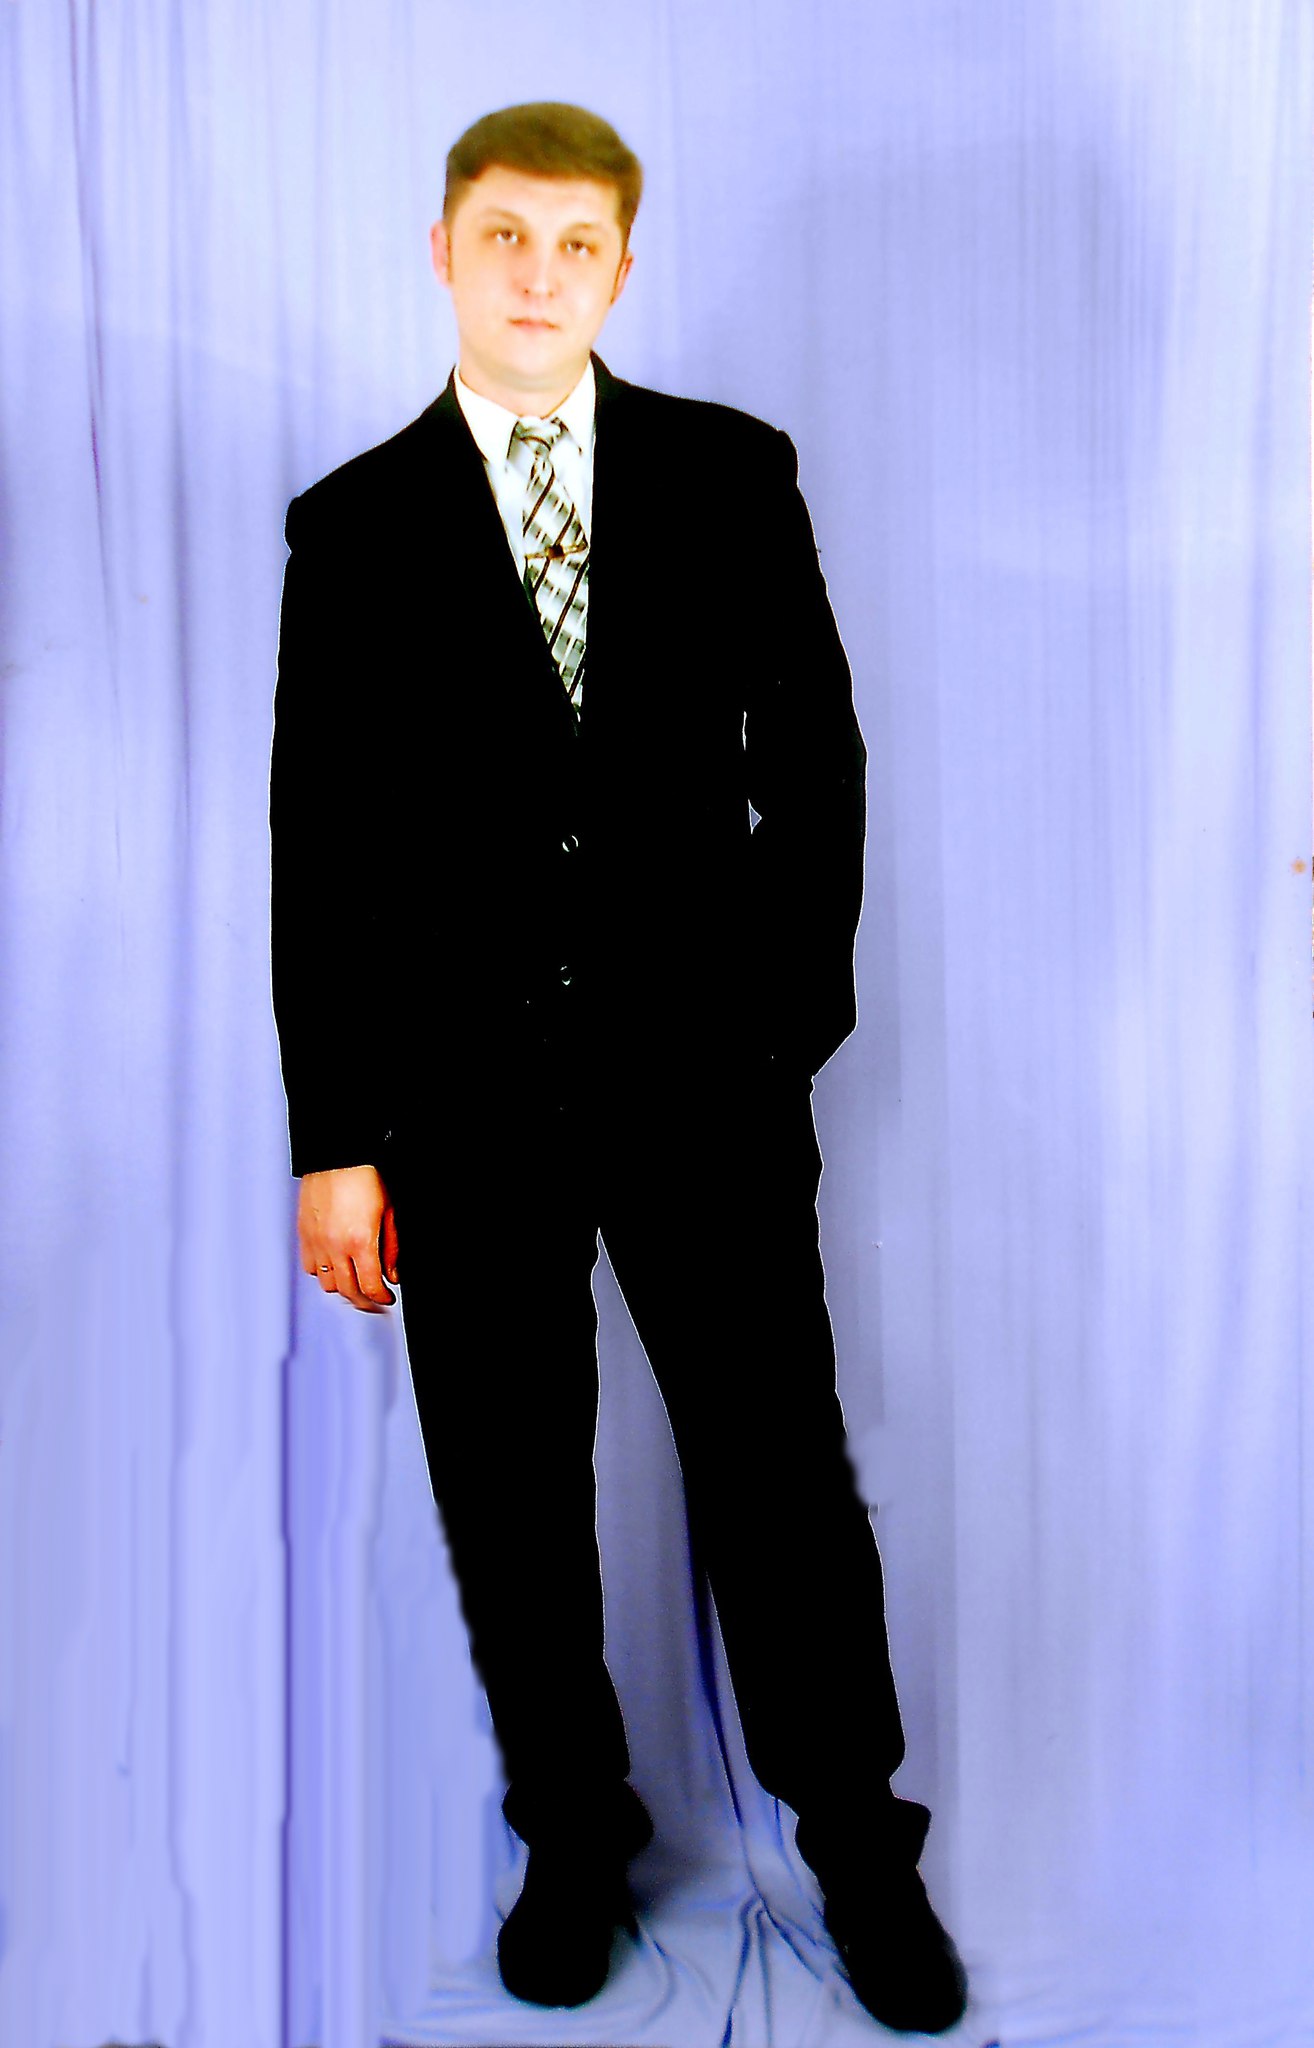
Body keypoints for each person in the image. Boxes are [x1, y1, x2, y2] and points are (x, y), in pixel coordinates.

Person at [270, 100, 967, 2034]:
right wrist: (336, 1138)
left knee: (779, 1482)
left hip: (702, 1086)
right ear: (443, 249)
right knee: (509, 1494)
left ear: (622, 268)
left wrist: (778, 1028)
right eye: (505, 235)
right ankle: (571, 1837)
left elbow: (812, 763)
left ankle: (857, 1850)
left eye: (576, 244)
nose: (538, 275)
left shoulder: (732, 475)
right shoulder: (351, 526)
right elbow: (321, 849)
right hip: (461, 1099)